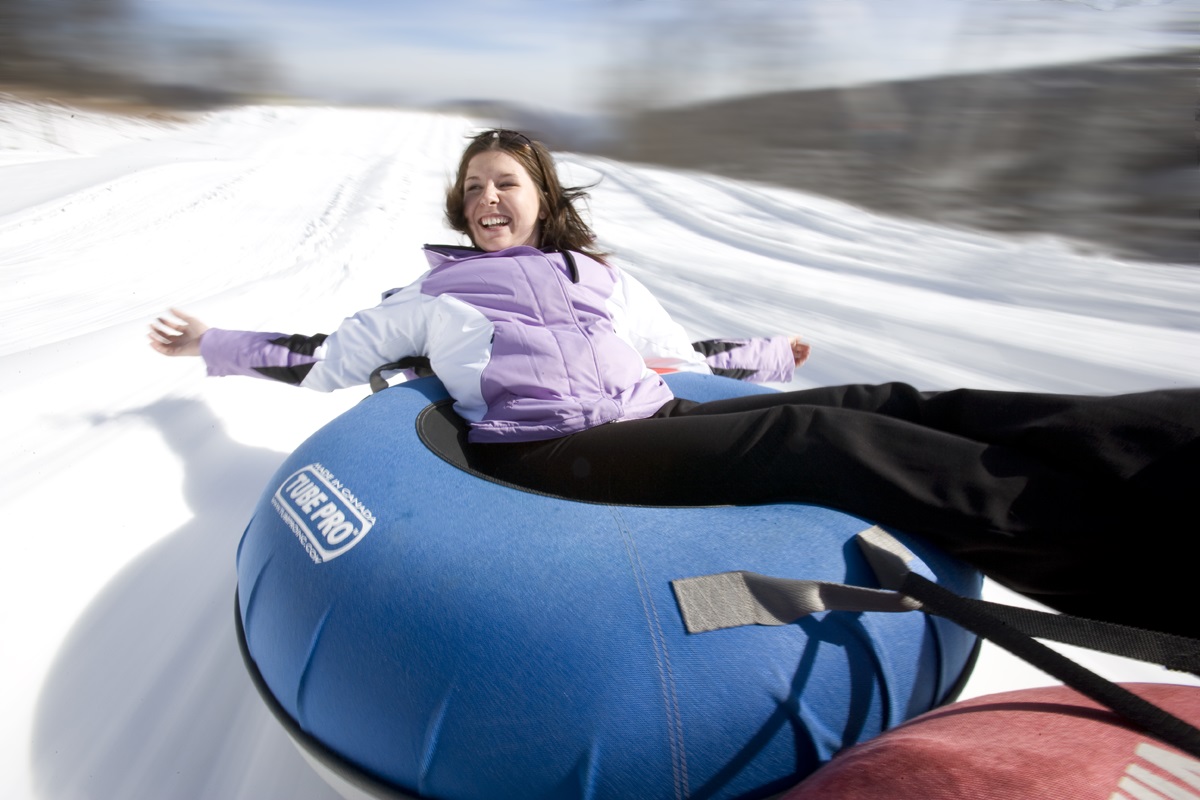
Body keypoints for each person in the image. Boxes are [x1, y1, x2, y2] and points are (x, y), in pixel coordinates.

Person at [150, 128, 1198, 638]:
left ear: (542, 195)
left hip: (651, 413)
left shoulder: (597, 273)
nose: (485, 201)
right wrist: (214, 341)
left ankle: (1169, 453)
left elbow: (672, 354)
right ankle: (1153, 571)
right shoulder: (434, 292)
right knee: (820, 448)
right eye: (472, 190)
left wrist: (765, 356)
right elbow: (329, 352)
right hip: (555, 449)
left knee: (885, 400)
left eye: (503, 183)